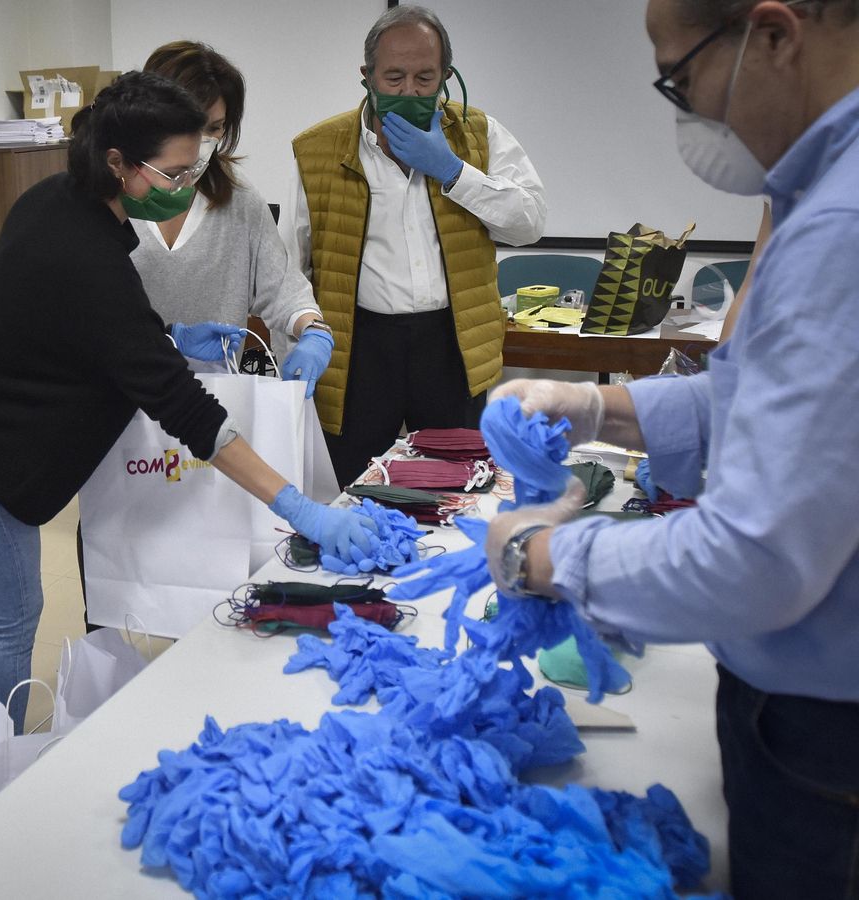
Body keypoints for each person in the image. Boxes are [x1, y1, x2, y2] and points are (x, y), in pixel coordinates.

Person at [485, 1, 859, 895]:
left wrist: (545, 556)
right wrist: (599, 408)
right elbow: (768, 409)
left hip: (828, 732)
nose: (687, 113)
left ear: (772, 35)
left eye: (679, 78)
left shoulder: (840, 227)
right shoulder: (821, 195)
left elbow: (760, 556)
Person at [0, 72, 383, 731]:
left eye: (193, 168)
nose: (184, 187)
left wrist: (169, 333)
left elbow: (58, 319)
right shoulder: (87, 251)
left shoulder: (57, 199)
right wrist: (296, 506)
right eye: (172, 174)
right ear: (118, 162)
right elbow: (187, 411)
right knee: (13, 616)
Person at [287, 4, 547, 483]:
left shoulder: (480, 134)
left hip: (454, 344)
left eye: (425, 78)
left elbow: (528, 224)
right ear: (366, 76)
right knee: (355, 486)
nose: (409, 90)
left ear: (447, 75)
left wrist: (453, 171)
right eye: (394, 77)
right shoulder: (318, 148)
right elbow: (291, 266)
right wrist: (305, 333)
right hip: (358, 350)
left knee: (459, 483)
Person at [134, 41, 333, 389]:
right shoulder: (114, 200)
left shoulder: (237, 201)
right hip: (121, 402)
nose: (200, 144)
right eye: (190, 126)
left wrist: (314, 331)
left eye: (214, 128)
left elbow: (282, 286)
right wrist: (169, 339)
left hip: (213, 401)